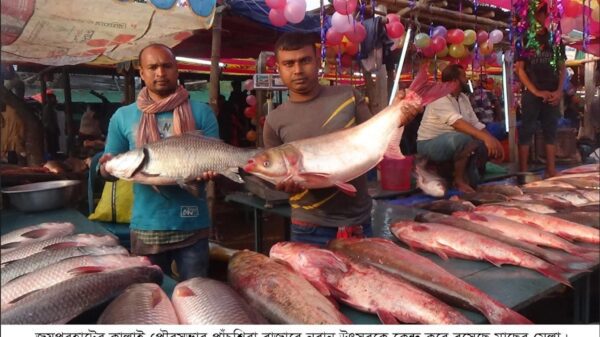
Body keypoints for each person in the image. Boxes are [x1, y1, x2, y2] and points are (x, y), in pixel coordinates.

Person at [99, 43, 219, 280]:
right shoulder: (123, 116)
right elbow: (108, 168)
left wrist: (210, 170)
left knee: (194, 294)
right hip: (147, 226)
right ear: (142, 73)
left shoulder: (202, 112)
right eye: (152, 67)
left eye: (166, 66)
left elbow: (214, 155)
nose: (160, 73)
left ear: (177, 69)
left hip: (193, 222)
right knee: (153, 297)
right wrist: (105, 168)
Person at [262, 32, 373, 246]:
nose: (297, 70)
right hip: (309, 228)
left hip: (359, 222)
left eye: (305, 60)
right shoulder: (274, 121)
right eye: (288, 63)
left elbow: (375, 138)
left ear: (318, 61)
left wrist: (400, 112)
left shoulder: (348, 97)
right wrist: (283, 184)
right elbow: (277, 175)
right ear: (279, 68)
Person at [417, 64, 504, 193]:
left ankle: (467, 175)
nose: (466, 79)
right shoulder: (439, 97)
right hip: (429, 143)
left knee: (480, 145)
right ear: (455, 81)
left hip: (452, 141)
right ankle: (459, 180)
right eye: (463, 76)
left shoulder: (463, 98)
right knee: (464, 139)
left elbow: (475, 123)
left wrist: (492, 140)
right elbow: (457, 123)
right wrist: (486, 138)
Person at [515, 1, 566, 177]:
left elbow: (562, 68)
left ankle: (550, 170)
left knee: (550, 131)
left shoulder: (555, 39)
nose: (537, 18)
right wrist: (536, 91)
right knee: (527, 130)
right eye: (534, 15)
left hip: (552, 92)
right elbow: (520, 70)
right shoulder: (523, 40)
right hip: (531, 93)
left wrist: (559, 91)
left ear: (545, 16)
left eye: (540, 14)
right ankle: (523, 172)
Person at [42, 93, 60, 159]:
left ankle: (52, 157)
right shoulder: (47, 109)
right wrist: (53, 130)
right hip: (49, 130)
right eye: (53, 98)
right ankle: (50, 158)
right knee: (51, 146)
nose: (55, 100)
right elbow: (48, 121)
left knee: (53, 146)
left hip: (52, 130)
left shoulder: (51, 108)